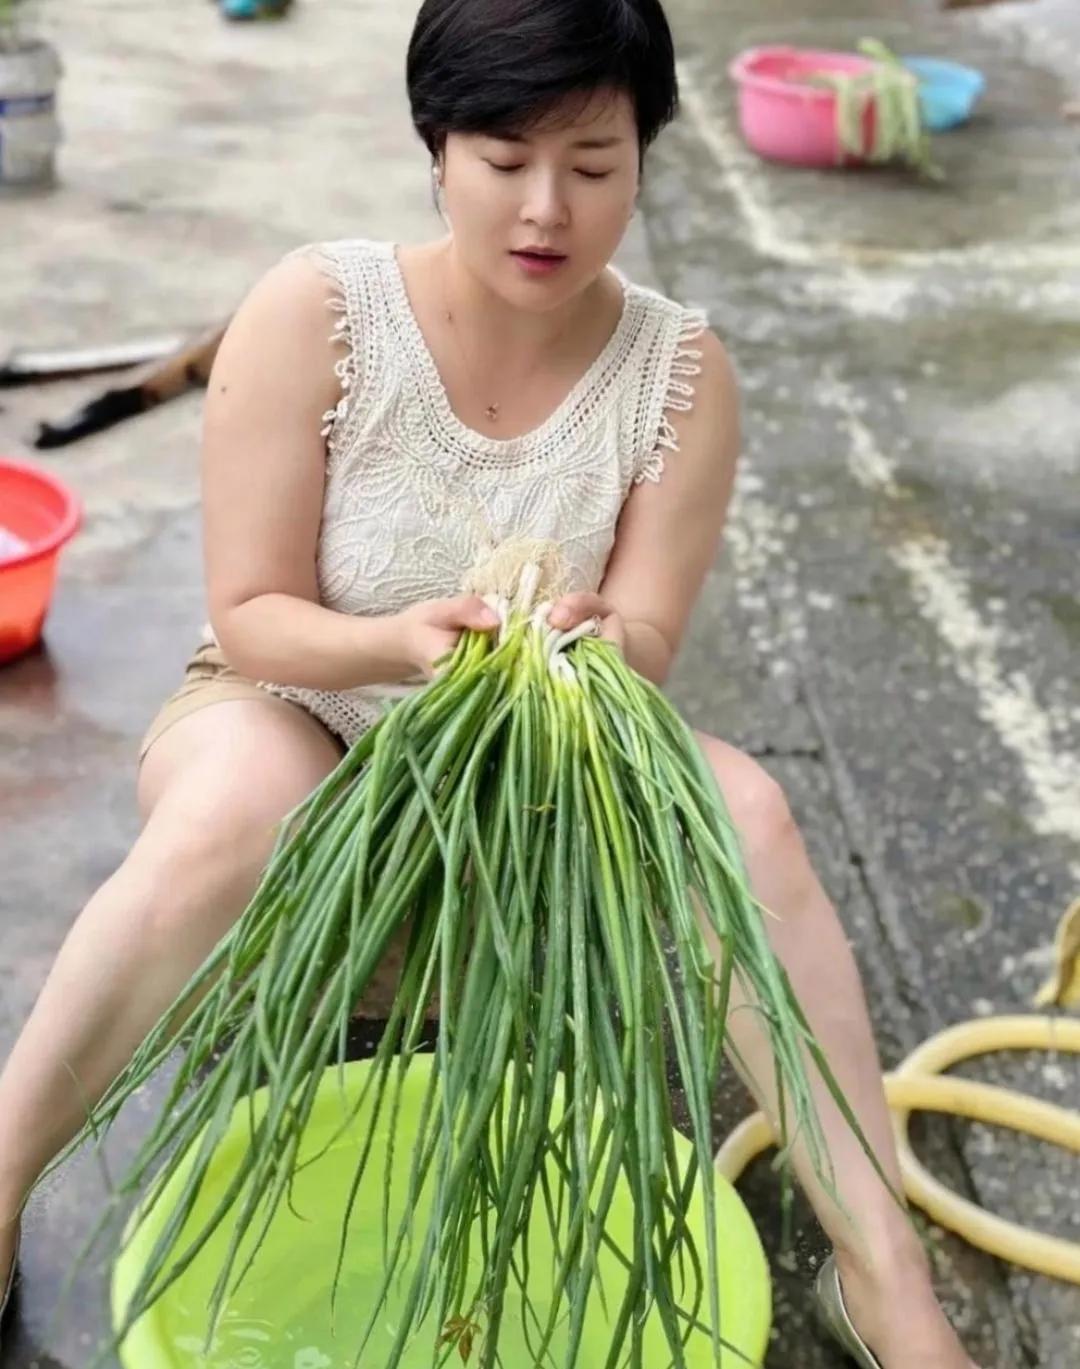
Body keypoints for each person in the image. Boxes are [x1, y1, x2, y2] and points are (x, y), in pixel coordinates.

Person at [0, 2, 978, 1364]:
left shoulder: (683, 375)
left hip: (533, 746)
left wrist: (590, 641)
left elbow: (643, 635)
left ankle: (889, 1282)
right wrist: (400, 643)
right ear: (434, 146)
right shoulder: (321, 311)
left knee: (748, 814)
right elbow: (254, 613)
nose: (545, 208)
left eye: (592, 164)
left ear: (644, 158)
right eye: (502, 156)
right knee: (237, 806)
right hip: (304, 706)